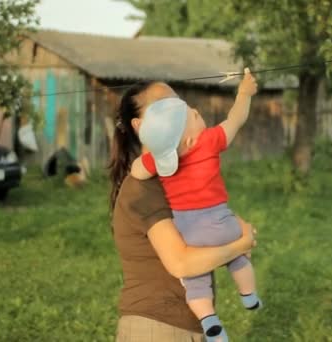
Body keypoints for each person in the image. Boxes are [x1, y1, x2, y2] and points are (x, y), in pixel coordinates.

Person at [109, 81, 257, 341]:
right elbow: (181, 263)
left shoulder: (180, 176)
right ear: (140, 126)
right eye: (164, 105)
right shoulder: (143, 188)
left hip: (185, 327)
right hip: (155, 327)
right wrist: (240, 243)